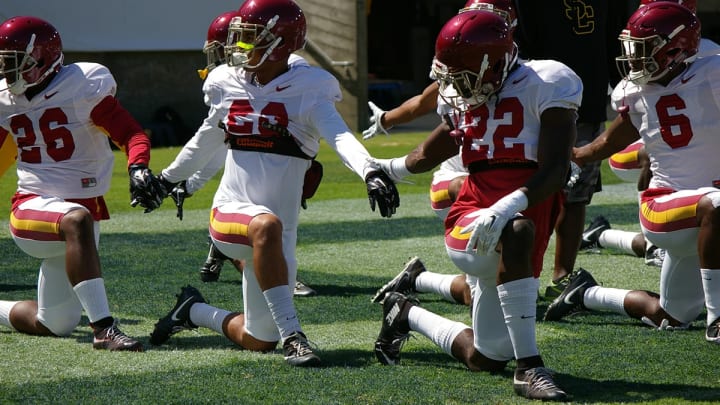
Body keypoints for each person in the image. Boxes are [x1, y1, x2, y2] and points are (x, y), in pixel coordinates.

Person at [147, 0, 400, 367]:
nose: (239, 47)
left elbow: (340, 136)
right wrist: (166, 179)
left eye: (250, 38)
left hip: (276, 237)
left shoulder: (309, 88)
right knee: (266, 225)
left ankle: (194, 310)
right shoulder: (227, 83)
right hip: (231, 214)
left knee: (257, 337)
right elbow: (205, 140)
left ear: (281, 43)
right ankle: (294, 337)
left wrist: (371, 171)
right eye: (239, 38)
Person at [370, 9, 581, 400]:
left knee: (487, 356)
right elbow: (423, 156)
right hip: (472, 221)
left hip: (513, 218)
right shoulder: (462, 97)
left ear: (496, 63)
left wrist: (505, 206)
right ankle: (530, 368)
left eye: (465, 77)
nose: (458, 88)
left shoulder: (549, 81)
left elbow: (555, 170)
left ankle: (406, 312)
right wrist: (380, 169)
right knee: (517, 229)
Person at [544, 2, 720, 345]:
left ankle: (585, 295)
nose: (634, 59)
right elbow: (607, 143)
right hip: (664, 206)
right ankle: (717, 318)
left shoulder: (712, 71)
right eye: (631, 49)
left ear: (677, 47)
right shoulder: (635, 91)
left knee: (671, 315)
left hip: (703, 214)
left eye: (644, 49)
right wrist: (570, 156)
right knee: (716, 204)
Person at [0, 16, 162, 351]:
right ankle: (104, 329)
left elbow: (131, 134)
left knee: (54, 323)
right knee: (76, 220)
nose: (7, 71)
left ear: (44, 58)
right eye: (3, 61)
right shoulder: (4, 101)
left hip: (81, 214)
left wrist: (138, 168)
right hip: (32, 207)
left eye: (15, 62)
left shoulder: (83, 86)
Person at [368, 0, 517, 308]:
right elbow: (424, 105)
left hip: (494, 184)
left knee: (481, 288)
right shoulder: (457, 67)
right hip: (456, 182)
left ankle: (418, 279)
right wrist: (386, 119)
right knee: (507, 256)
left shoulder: (527, 78)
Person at [513, 0, 637, 299]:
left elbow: (617, 42)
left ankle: (562, 275)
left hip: (588, 99)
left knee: (575, 195)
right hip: (535, 101)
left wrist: (626, 94)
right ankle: (518, 275)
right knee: (525, 189)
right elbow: (519, 45)